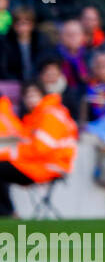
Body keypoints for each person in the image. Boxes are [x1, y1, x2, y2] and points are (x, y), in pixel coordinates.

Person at [0, 83, 78, 217]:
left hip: (49, 166)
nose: (30, 100)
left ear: (43, 95)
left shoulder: (50, 115)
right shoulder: (34, 118)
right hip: (40, 164)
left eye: (34, 95)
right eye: (27, 96)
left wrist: (10, 154)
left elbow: (41, 149)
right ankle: (7, 212)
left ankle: (8, 213)